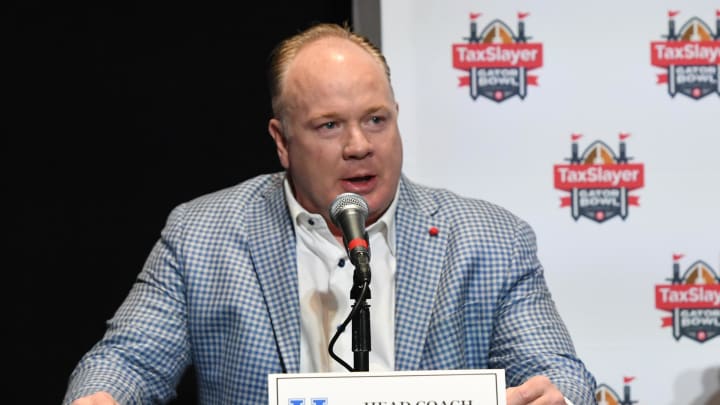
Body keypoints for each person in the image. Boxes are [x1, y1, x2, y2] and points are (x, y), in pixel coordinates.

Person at [64, 22, 597, 405]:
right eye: (329, 126)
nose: (360, 145)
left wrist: (556, 396)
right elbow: (129, 361)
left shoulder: (488, 240)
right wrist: (100, 396)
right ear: (282, 141)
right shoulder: (204, 234)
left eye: (375, 119)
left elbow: (558, 372)